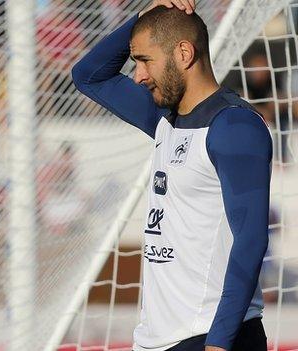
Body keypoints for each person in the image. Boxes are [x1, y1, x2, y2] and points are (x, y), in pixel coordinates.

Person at [71, 1, 272, 350]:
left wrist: (219, 342)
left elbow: (251, 241)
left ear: (183, 53)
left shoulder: (234, 126)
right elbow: (88, 75)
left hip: (212, 336)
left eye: (145, 61)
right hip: (157, 340)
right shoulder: (165, 116)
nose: (138, 76)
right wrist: (145, 13)